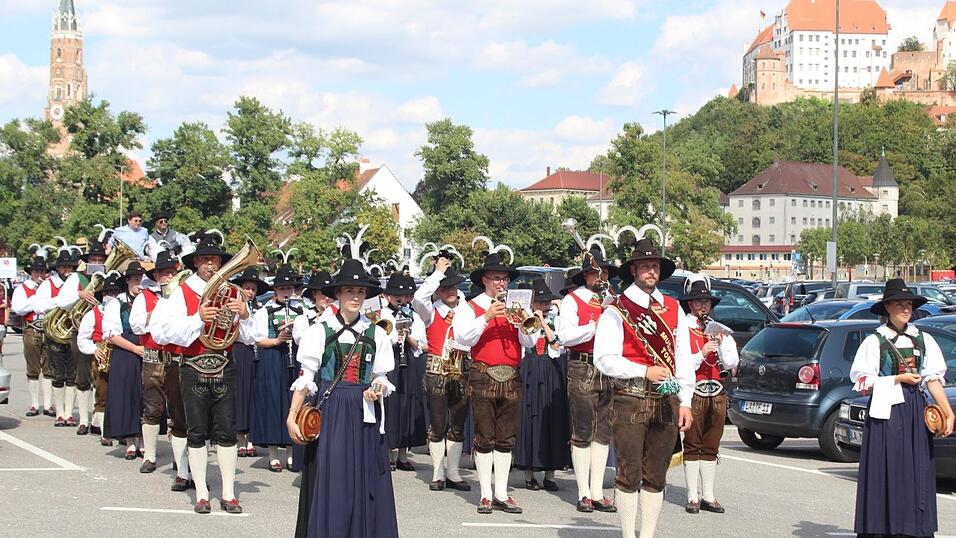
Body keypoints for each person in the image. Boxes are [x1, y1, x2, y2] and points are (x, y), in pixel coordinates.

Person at [287, 258, 398, 538]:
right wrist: (292, 415)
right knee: (334, 480)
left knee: (365, 479)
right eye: (350, 291)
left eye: (360, 292)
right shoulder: (319, 330)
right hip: (332, 411)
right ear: (337, 294)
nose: (356, 297)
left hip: (364, 413)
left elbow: (381, 376)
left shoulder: (376, 333)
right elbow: (307, 377)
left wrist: (378, 388)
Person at [593, 237, 695, 538]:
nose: (651, 271)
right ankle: (628, 534)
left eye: (655, 266)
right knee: (629, 474)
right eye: (645, 266)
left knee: (656, 476)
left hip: (667, 401)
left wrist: (686, 400)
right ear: (634, 270)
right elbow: (604, 358)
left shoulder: (673, 308)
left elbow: (683, 359)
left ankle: (647, 534)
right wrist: (643, 370)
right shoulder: (617, 309)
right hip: (630, 399)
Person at [150, 232, 253, 514]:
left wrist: (244, 315)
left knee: (227, 431)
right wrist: (198, 318)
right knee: (196, 432)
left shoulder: (232, 292)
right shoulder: (180, 292)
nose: (211, 265)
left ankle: (229, 493)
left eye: (216, 260)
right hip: (193, 365)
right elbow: (160, 332)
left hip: (224, 364)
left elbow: (250, 337)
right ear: (195, 262)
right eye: (206, 260)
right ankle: (202, 493)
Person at [850, 278, 955, 537]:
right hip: (886, 412)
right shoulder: (875, 341)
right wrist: (898, 378)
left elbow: (933, 379)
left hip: (914, 410)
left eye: (908, 304)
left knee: (916, 468)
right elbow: (862, 380)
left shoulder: (924, 339)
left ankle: (913, 528)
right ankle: (882, 528)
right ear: (888, 308)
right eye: (899, 304)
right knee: (887, 466)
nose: (905, 309)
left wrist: (948, 412)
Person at [453, 250, 540, 514]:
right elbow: (463, 338)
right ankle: (486, 494)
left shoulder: (518, 307)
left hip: (512, 375)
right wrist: (488, 316)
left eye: (504, 278)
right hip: (483, 374)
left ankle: (501, 493)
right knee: (484, 436)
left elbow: (531, 343)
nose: (502, 283)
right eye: (496, 278)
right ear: (485, 281)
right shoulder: (470, 307)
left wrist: (521, 324)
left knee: (506, 439)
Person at [558, 246, 618, 512]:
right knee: (583, 431)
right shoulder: (573, 300)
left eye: (604, 272)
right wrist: (596, 324)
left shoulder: (611, 298)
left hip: (607, 367)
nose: (602, 277)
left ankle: (596, 491)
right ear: (586, 276)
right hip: (582, 365)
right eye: (596, 273)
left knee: (603, 433)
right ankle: (583, 491)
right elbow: (566, 337)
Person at [130, 250, 192, 488]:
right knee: (152, 406)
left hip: (177, 356)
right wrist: (159, 313)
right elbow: (136, 326)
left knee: (180, 411)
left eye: (169, 272)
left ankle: (181, 461)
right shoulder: (145, 297)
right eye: (162, 272)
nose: (166, 276)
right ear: (155, 275)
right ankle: (150, 455)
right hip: (154, 356)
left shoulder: (183, 295)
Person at [411, 256, 472, 492]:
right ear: (437, 291)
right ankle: (438, 472)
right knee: (438, 423)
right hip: (437, 370)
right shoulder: (430, 310)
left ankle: (454, 472)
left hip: (461, 369)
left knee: (457, 423)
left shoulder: (467, 310)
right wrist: (436, 275)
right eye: (445, 288)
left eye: (453, 287)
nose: (450, 291)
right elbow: (418, 297)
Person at [678, 275, 738, 515]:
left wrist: (721, 343)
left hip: (717, 392)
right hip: (694, 392)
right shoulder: (683, 328)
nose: (703, 306)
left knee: (712, 445)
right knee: (692, 444)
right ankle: (693, 495)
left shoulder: (719, 328)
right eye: (698, 301)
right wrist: (703, 352)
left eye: (707, 302)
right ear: (690, 304)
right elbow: (681, 365)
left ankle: (709, 495)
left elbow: (733, 362)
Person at [514, 278, 570, 492]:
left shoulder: (553, 322)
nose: (545, 306)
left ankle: (550, 473)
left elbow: (556, 344)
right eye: (541, 302)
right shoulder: (524, 319)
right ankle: (529, 473)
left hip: (549, 369)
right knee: (529, 418)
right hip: (529, 369)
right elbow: (526, 341)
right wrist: (531, 319)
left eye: (547, 302)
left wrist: (544, 321)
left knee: (551, 420)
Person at [252, 263, 303, 472]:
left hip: (293, 358)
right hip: (273, 358)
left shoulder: (301, 310)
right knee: (273, 402)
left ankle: (291, 453)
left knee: (292, 403)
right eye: (282, 288)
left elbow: (305, 336)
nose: (286, 292)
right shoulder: (265, 311)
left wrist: (296, 334)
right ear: (276, 290)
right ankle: (273, 454)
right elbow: (258, 339)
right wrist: (278, 339)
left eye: (289, 288)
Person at [59, 240, 109, 435]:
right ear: (87, 261)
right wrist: (79, 294)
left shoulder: (110, 277)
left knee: (102, 379)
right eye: (93, 259)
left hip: (104, 334)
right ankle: (83, 420)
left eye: (100, 259)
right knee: (82, 377)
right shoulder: (76, 278)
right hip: (80, 331)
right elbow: (62, 303)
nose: (97, 262)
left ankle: (98, 419)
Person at [380, 271, 427, 471]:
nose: (402, 300)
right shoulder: (382, 315)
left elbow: (424, 345)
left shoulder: (413, 315)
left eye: (405, 296)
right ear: (388, 296)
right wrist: (394, 337)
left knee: (407, 404)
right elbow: (379, 336)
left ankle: (402, 454)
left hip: (408, 362)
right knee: (390, 405)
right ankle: (388, 453)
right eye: (397, 297)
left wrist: (408, 337)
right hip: (389, 361)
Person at [103, 262, 148, 460]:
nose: (139, 282)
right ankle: (130, 441)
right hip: (125, 350)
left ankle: (145, 440)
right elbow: (111, 335)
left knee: (146, 396)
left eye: (141, 279)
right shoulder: (116, 303)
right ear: (128, 281)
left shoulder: (149, 300)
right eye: (135, 279)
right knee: (126, 395)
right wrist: (135, 348)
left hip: (147, 348)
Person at [34, 247, 82, 427]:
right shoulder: (49, 284)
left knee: (72, 375)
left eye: (70, 267)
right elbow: (38, 306)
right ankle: (59, 413)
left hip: (72, 330)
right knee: (58, 374)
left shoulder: (77, 281)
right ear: (58, 269)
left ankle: (69, 412)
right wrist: (62, 301)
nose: (67, 270)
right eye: (63, 267)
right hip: (55, 331)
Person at [76, 273, 122, 439]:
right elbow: (82, 339)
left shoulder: (122, 311)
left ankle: (112, 427)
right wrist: (94, 349)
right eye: (109, 293)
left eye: (115, 294)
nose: (112, 297)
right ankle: (104, 432)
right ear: (103, 296)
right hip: (101, 353)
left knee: (119, 394)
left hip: (120, 353)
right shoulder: (92, 315)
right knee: (102, 393)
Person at [232, 267, 269, 459]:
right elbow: (240, 334)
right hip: (240, 351)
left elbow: (258, 334)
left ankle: (252, 438)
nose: (250, 292)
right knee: (240, 393)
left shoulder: (260, 310)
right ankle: (240, 438)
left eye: (253, 289)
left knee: (254, 394)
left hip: (257, 352)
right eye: (247, 288)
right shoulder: (234, 306)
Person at [12, 256, 54, 417]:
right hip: (31, 328)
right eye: (37, 271)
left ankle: (49, 404)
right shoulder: (22, 288)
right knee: (33, 367)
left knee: (50, 367)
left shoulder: (49, 287)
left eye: (42, 271)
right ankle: (35, 404)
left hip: (49, 328)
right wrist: (37, 298)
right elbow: (19, 308)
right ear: (31, 272)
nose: (40, 274)